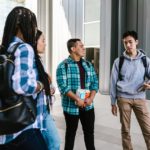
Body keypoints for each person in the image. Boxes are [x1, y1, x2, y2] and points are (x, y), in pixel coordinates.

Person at [0, 6, 50, 150]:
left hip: (5, 129)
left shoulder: (4, 49)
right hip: (24, 127)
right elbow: (23, 86)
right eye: (32, 25)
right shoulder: (24, 48)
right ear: (21, 26)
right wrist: (40, 85)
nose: (34, 29)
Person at [110, 30, 150, 150]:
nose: (128, 45)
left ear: (136, 42)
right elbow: (113, 82)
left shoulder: (145, 60)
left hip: (140, 98)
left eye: (130, 42)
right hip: (123, 99)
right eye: (125, 43)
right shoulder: (119, 61)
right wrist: (113, 102)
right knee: (125, 130)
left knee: (148, 129)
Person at [56, 38, 99, 150]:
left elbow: (95, 82)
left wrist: (91, 98)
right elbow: (63, 87)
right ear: (73, 49)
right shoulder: (63, 66)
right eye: (80, 46)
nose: (83, 48)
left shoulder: (88, 65)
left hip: (88, 105)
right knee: (70, 135)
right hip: (71, 108)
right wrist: (77, 99)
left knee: (89, 134)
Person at [35, 29, 61, 150]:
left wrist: (50, 88)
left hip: (44, 111)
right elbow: (27, 86)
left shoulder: (40, 61)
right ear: (35, 42)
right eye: (43, 41)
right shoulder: (30, 61)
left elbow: (46, 83)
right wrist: (43, 86)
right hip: (34, 114)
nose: (45, 44)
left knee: (54, 143)